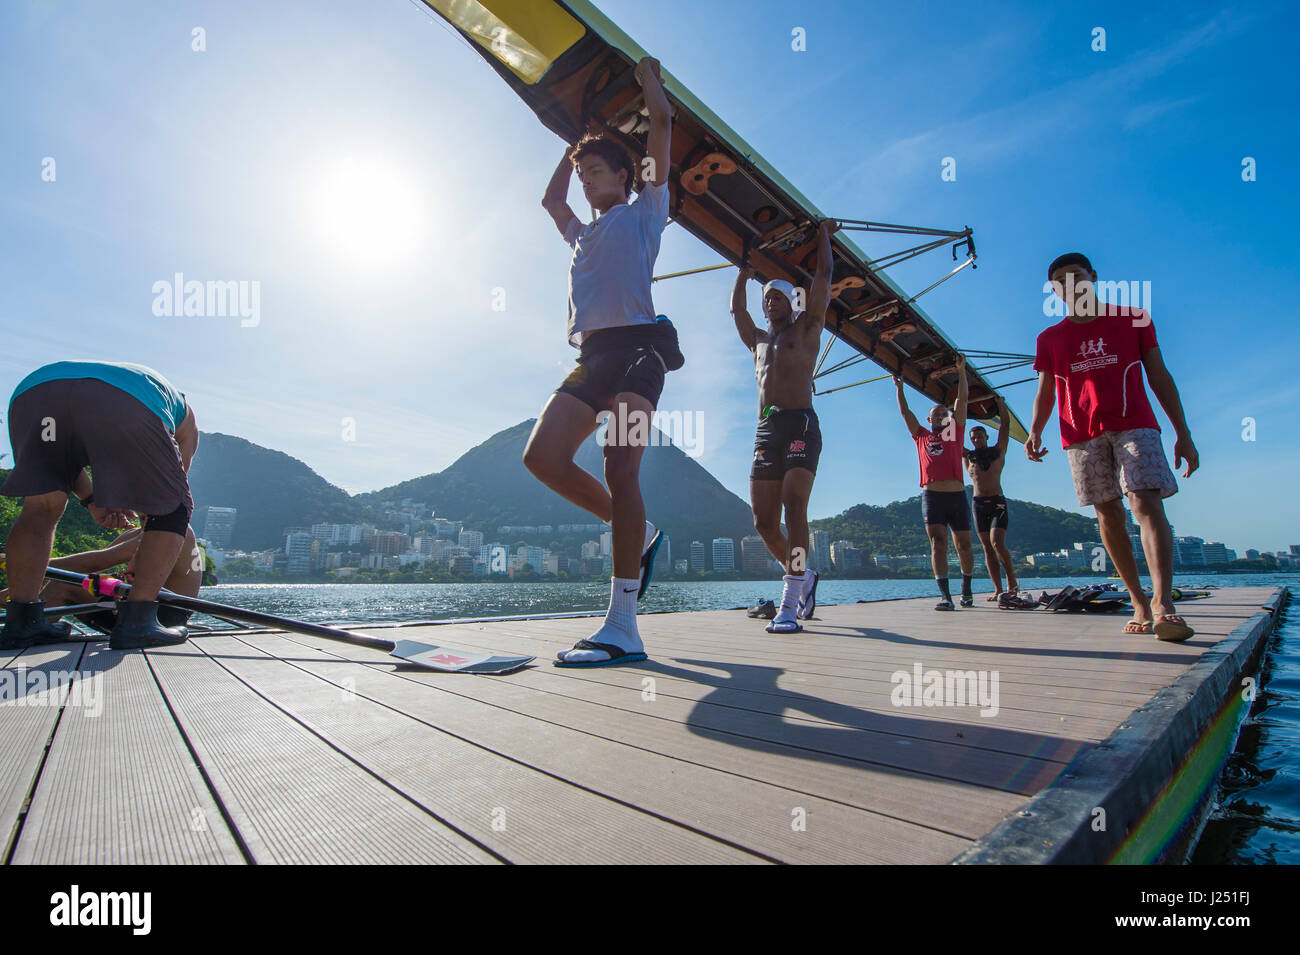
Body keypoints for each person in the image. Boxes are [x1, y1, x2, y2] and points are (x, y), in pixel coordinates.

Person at [523, 56, 678, 667]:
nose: (586, 181)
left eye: (595, 170)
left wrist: (647, 84)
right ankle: (634, 535)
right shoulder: (580, 234)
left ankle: (623, 628)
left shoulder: (645, 214)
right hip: (591, 358)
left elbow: (661, 127)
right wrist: (572, 148)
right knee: (542, 458)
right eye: (582, 173)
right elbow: (548, 199)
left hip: (640, 354)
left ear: (625, 174)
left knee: (621, 469)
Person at [1027, 252, 1198, 641]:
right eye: (1061, 281)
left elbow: (1159, 375)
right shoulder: (1049, 339)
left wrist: (1182, 433)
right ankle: (1138, 601)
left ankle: (1163, 605)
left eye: (1077, 275)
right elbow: (1046, 391)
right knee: (1108, 513)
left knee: (1146, 501)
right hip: (1080, 434)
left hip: (1134, 424)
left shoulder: (1133, 318)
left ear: (1094, 277)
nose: (1070, 284)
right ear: (1054, 291)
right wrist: (1036, 430)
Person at [1, 361, 198, 650]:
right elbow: (170, 491)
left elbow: (64, 467)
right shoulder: (181, 415)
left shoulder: (159, 400)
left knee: (41, 507)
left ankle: (23, 623)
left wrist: (92, 500)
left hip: (34, 393)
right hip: (123, 401)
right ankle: (138, 624)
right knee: (174, 509)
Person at [729, 219, 835, 633]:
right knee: (764, 523)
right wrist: (742, 273)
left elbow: (824, 276)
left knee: (795, 505)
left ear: (793, 301)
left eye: (778, 296)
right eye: (766, 297)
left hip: (800, 424)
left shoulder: (807, 329)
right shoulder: (757, 340)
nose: (771, 302)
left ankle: (789, 605)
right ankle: (804, 578)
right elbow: (736, 310)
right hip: (766, 429)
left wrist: (824, 234)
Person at [0, 525, 203, 634]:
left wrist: (19, 567)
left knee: (63, 584)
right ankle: (27, 622)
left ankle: (29, 628)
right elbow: (97, 568)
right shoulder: (138, 532)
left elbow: (97, 562)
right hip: (136, 610)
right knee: (72, 581)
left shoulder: (174, 530)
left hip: (163, 616)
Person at [895, 356, 975, 610]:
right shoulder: (921, 436)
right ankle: (945, 596)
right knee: (937, 544)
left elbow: (962, 402)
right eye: (936, 414)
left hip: (957, 496)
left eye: (944, 413)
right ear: (929, 420)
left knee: (963, 544)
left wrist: (962, 373)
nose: (941, 416)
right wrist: (899, 389)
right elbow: (906, 413)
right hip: (932, 497)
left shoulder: (955, 432)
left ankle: (967, 590)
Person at [964, 396, 1019, 599]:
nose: (977, 440)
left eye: (980, 436)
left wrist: (1001, 405)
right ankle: (997, 589)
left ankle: (1012, 581)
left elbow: (1005, 426)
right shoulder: (967, 457)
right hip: (978, 504)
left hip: (997, 501)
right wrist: (952, 415)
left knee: (997, 542)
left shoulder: (997, 451)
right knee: (987, 547)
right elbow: (950, 438)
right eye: (973, 438)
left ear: (986, 437)